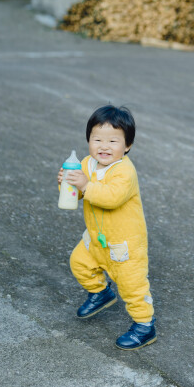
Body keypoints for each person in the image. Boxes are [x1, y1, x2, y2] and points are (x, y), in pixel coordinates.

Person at [57, 105, 156, 349]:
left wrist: (84, 186)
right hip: (96, 238)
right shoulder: (87, 163)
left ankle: (144, 326)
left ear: (127, 146)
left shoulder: (124, 171)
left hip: (124, 245)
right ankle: (100, 293)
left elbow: (111, 197)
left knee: (132, 287)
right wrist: (66, 185)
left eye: (113, 140)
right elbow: (78, 196)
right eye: (97, 139)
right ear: (88, 140)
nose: (104, 146)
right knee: (79, 263)